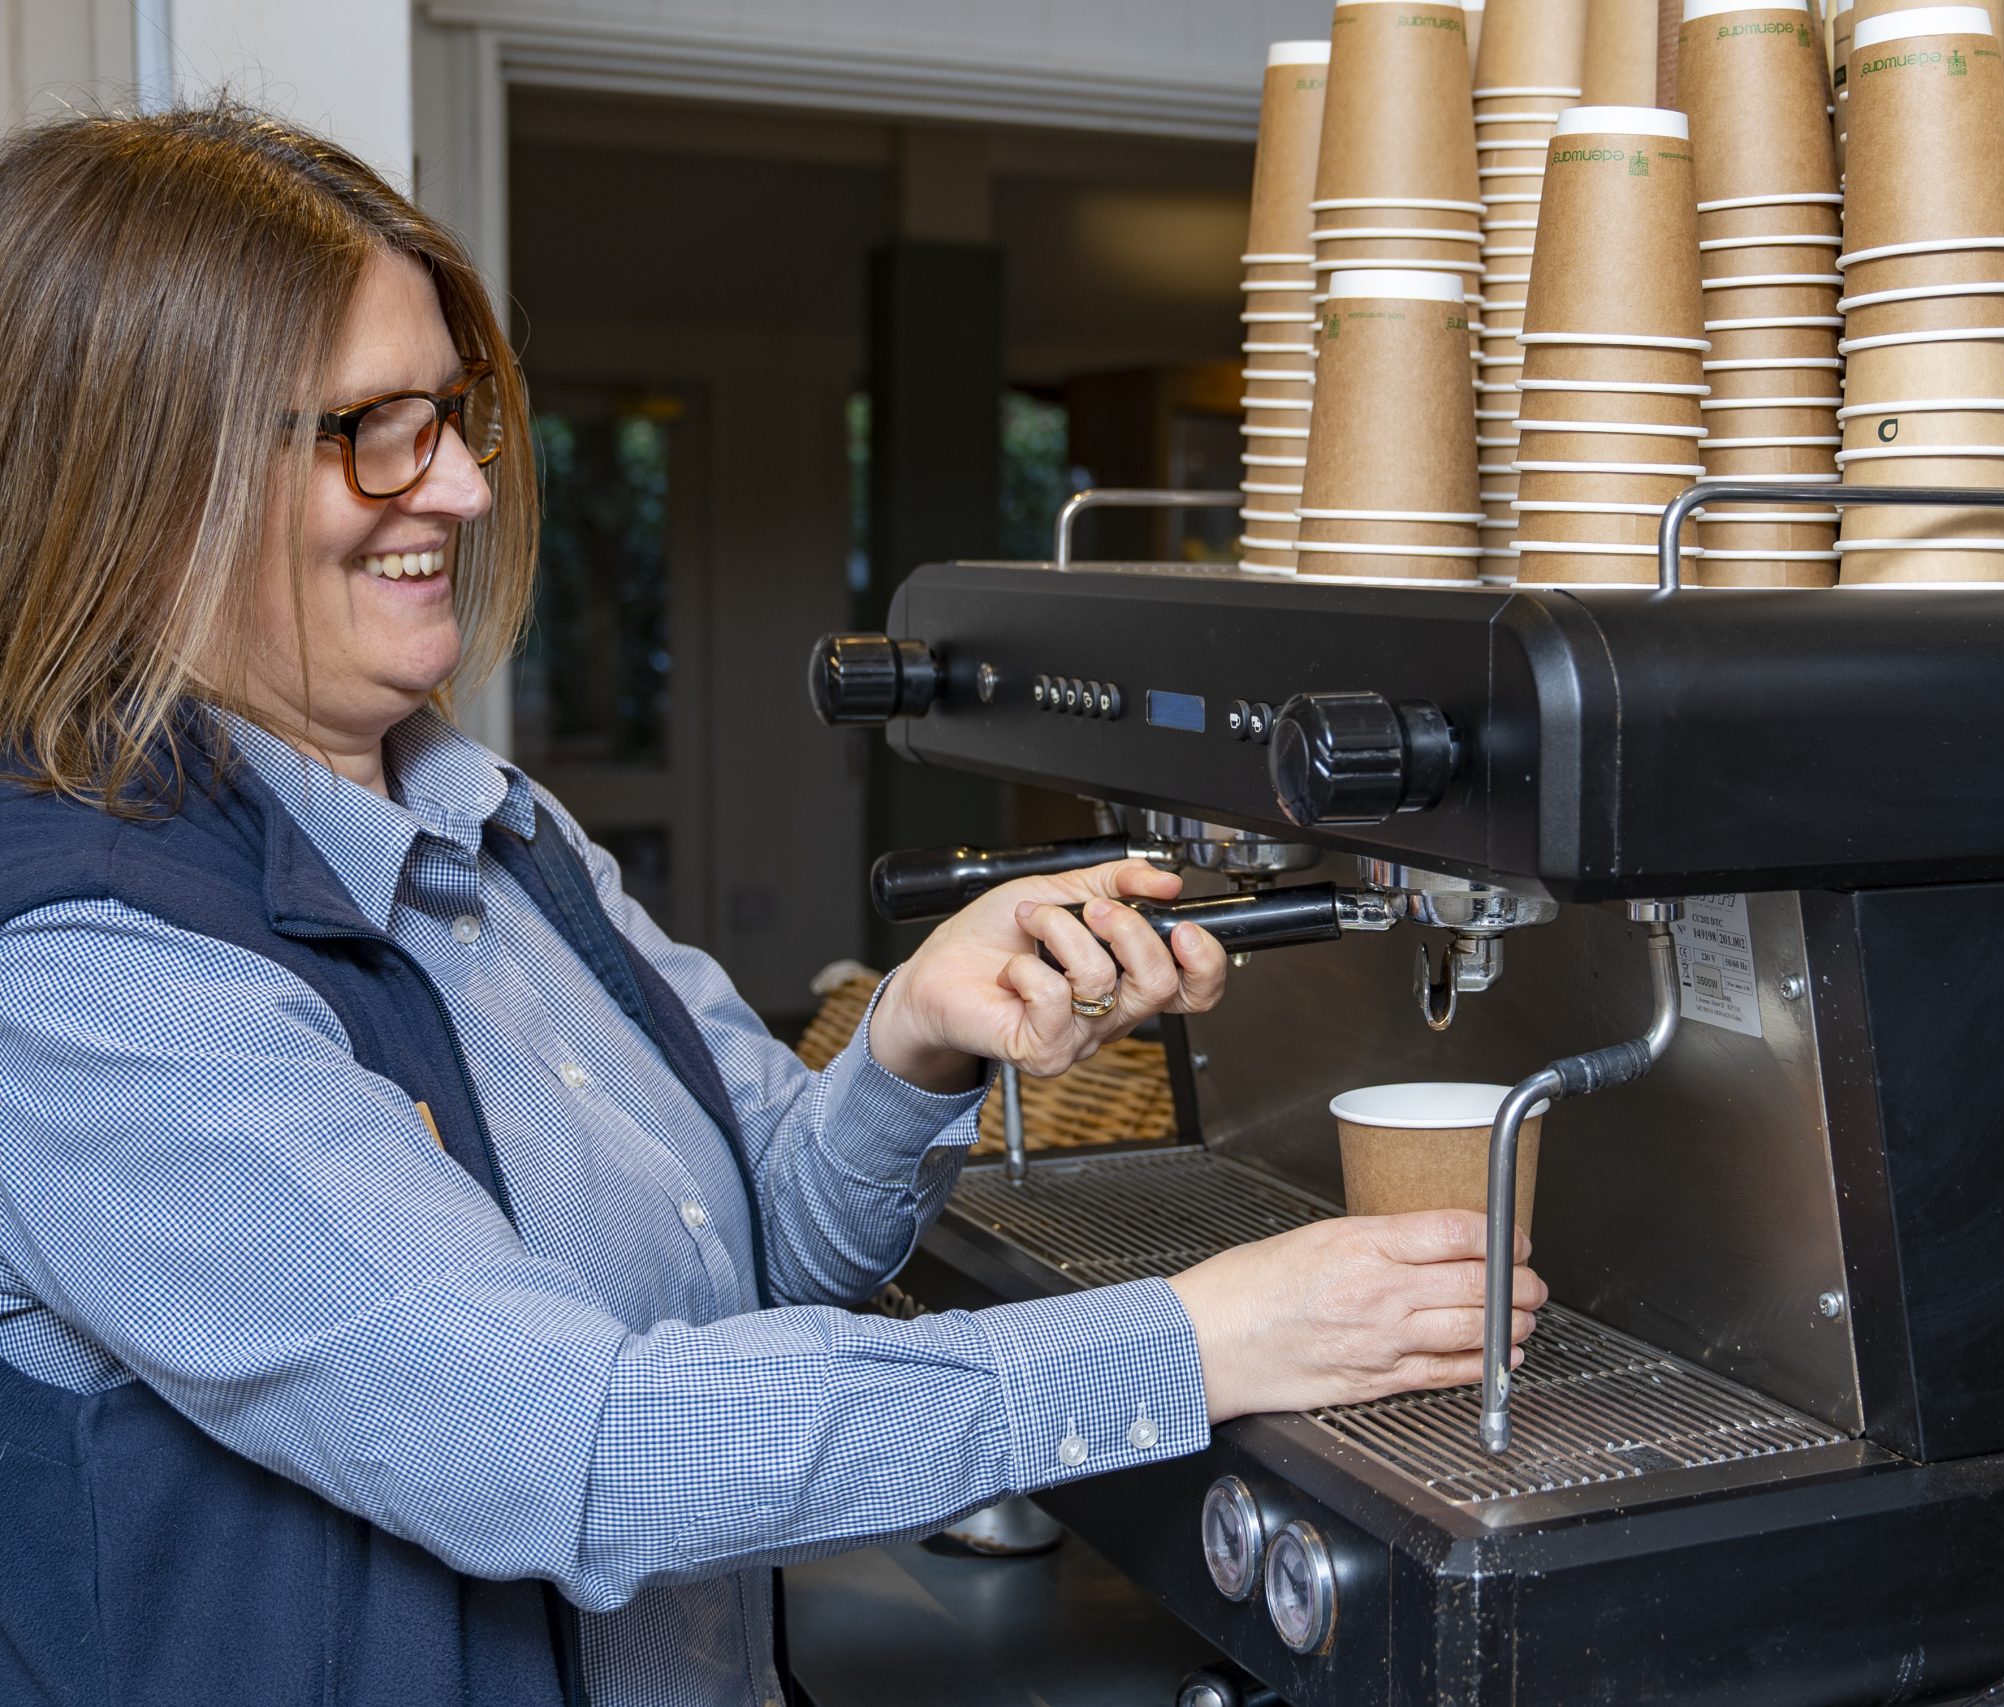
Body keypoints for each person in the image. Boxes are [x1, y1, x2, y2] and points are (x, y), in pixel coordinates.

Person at [0, 103, 1544, 1707]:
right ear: (147, 478)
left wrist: (915, 1045)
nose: (457, 488)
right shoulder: (97, 978)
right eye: (374, 427)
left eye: (456, 416)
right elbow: (576, 1448)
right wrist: (1193, 1342)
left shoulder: (492, 828)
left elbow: (751, 1248)